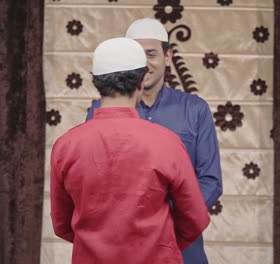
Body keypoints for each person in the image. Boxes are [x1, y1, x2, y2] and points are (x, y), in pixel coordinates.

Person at [50, 37, 210, 264]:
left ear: (96, 82)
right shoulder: (167, 142)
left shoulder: (65, 146)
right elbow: (194, 219)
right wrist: (161, 244)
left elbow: (62, 224)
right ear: (140, 82)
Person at [86, 18, 222, 264]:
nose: (145, 63)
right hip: (120, 245)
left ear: (168, 56)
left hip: (181, 244)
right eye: (138, 55)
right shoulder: (99, 110)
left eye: (151, 54)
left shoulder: (194, 110)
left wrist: (169, 220)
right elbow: (93, 178)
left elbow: (210, 180)